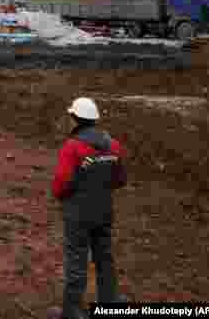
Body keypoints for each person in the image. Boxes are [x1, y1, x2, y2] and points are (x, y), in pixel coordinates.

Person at [50, 97, 128, 319]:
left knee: (76, 260)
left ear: (75, 118)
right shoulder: (113, 145)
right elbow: (121, 179)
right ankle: (110, 301)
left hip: (78, 214)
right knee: (104, 256)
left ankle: (72, 310)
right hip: (104, 211)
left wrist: (62, 196)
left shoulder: (72, 147)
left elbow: (62, 183)